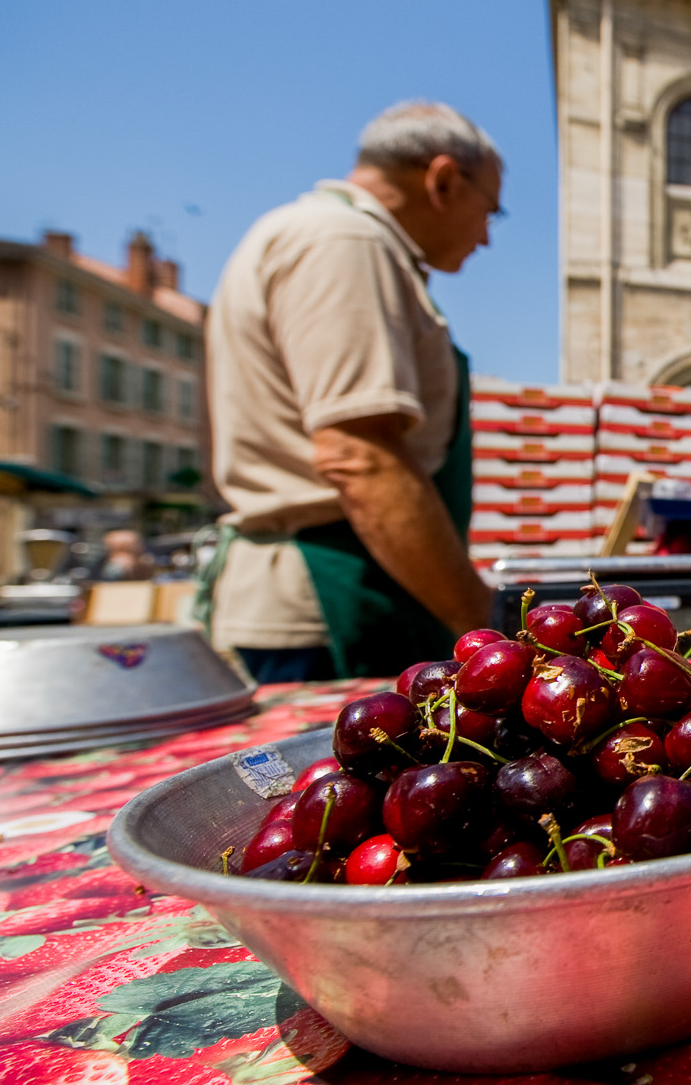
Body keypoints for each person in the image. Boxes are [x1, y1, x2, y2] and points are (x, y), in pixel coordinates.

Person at [201, 102, 502, 682]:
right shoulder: (345, 242)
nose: (486, 235)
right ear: (442, 179)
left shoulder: (327, 236)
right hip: (340, 604)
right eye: (490, 209)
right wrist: (483, 627)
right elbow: (360, 454)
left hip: (368, 586)